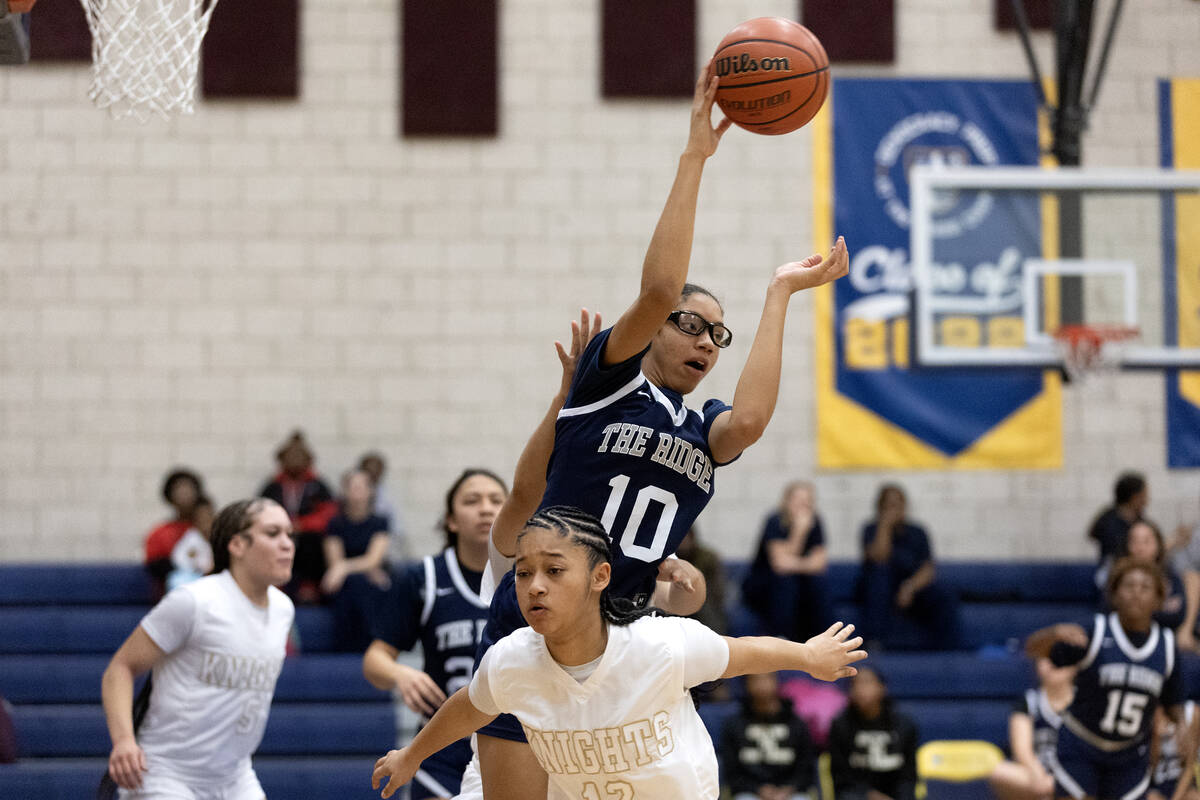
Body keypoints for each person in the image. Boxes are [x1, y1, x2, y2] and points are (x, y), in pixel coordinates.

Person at [468, 60, 850, 800]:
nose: (708, 343)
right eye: (693, 326)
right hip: (541, 627)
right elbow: (657, 288)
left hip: (629, 647)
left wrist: (781, 293)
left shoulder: (707, 429)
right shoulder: (605, 380)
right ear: (652, 335)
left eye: (720, 336)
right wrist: (695, 157)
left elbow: (754, 418)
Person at [370, 506, 867, 800]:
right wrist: (411, 756)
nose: (535, 587)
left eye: (554, 571)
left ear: (600, 578)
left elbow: (740, 653)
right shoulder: (511, 659)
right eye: (523, 573)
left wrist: (806, 655)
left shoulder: (659, 644)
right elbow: (468, 707)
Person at [101, 498, 296, 799]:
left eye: (289, 534)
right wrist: (124, 740)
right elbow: (120, 668)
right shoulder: (194, 602)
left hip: (235, 777)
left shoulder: (283, 610)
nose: (287, 544)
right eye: (272, 533)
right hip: (166, 774)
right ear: (237, 545)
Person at [361, 468, 506, 800]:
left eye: (496, 500)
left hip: (507, 741)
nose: (485, 508)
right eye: (472, 500)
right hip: (442, 749)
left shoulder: (530, 578)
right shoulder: (423, 578)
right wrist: (399, 673)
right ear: (451, 521)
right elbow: (374, 659)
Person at [1025, 558, 1191, 800]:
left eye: (1145, 587)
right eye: (1129, 586)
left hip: (1129, 755)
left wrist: (1183, 731)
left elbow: (1173, 702)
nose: (1136, 593)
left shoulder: (1166, 645)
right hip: (1082, 746)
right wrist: (1052, 633)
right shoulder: (1097, 630)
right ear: (1114, 595)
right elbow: (1033, 650)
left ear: (1158, 599)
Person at [860, 483, 960, 649]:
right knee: (879, 577)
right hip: (880, 589)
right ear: (880, 507)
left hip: (912, 587)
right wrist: (884, 525)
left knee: (945, 592)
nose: (894, 509)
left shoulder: (917, 531)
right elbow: (879, 557)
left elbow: (928, 568)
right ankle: (874, 643)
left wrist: (910, 587)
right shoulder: (870, 529)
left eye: (898, 504)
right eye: (888, 505)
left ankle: (948, 649)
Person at [743, 480, 832, 642]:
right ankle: (780, 637)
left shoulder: (816, 521)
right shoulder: (774, 521)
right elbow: (779, 564)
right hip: (763, 584)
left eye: (807, 502)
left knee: (819, 582)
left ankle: (825, 638)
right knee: (785, 580)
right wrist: (799, 531)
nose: (802, 507)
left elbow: (819, 564)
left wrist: (794, 564)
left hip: (798, 584)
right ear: (786, 501)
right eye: (798, 501)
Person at [259, 430, 338, 603]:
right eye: (290, 456)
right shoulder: (272, 486)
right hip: (279, 532)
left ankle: (308, 586)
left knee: (313, 541)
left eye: (299, 456)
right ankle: (273, 583)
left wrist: (302, 525)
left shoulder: (317, 485)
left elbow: (329, 514)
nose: (295, 460)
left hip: (307, 537)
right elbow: (260, 512)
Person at [323, 469, 392, 652]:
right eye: (352, 487)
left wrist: (345, 568)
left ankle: (371, 647)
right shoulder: (335, 524)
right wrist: (347, 569)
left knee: (367, 584)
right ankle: (349, 649)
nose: (357, 492)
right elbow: (334, 562)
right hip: (345, 584)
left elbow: (373, 560)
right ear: (344, 491)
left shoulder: (380, 522)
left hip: (368, 580)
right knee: (354, 583)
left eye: (361, 487)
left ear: (371, 491)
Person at [719, 671, 816, 800]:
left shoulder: (797, 724)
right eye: (755, 680)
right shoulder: (734, 725)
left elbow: (806, 768)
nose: (761, 685)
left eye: (766, 678)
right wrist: (758, 789)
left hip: (791, 792)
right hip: (750, 793)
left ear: (776, 681)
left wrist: (789, 789)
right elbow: (732, 771)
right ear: (746, 684)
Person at [989, 656, 1075, 800]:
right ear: (1037, 665)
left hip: (1077, 774)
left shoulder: (1088, 701)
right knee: (998, 771)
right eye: (1046, 658)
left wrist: (1065, 781)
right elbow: (1022, 752)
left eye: (1060, 656)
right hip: (1035, 776)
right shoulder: (1028, 702)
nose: (1053, 663)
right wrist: (1041, 779)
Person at [828, 667, 919, 800]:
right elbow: (841, 776)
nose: (860, 689)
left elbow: (909, 776)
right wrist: (870, 795)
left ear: (882, 688)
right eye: (855, 684)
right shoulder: (840, 725)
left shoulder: (904, 725)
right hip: (856, 794)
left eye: (867, 682)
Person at [143, 468, 207, 598]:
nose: (184, 494)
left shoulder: (208, 530)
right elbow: (155, 567)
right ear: (169, 495)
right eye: (179, 489)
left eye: (189, 489)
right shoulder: (159, 533)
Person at [1120, 520, 1188, 636]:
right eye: (1134, 542)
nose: (1140, 548)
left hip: (1164, 637)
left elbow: (1178, 615)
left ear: (1158, 545)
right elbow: (1113, 612)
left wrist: (1139, 611)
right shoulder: (1118, 576)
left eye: (1146, 542)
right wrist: (1160, 609)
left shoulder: (1170, 576)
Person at [1087, 472, 1148, 590]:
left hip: (1133, 568)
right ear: (1134, 498)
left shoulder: (1139, 520)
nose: (1146, 500)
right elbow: (1120, 554)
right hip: (1112, 571)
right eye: (1144, 495)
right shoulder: (1109, 520)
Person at [676, 526, 729, 634]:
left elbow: (718, 590)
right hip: (674, 602)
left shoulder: (707, 558)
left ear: (692, 537)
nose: (682, 542)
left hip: (704, 601)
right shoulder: (669, 560)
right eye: (679, 538)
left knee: (707, 611)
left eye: (685, 537)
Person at [359, 451, 407, 558]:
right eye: (368, 470)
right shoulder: (350, 495)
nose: (372, 474)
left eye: (376, 471)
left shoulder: (388, 498)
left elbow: (397, 530)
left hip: (383, 548)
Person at [1147, 705, 1198, 800]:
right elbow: (1151, 767)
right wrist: (1156, 738)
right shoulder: (1154, 712)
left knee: (1195, 797)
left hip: (1180, 783)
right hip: (1156, 783)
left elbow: (1189, 767)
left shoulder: (1193, 713)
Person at [164, 496, 215, 592]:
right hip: (193, 575)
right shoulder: (191, 538)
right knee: (176, 580)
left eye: (208, 517)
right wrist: (195, 565)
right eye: (201, 518)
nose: (205, 522)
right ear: (195, 520)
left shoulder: (219, 537)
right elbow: (178, 558)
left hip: (213, 576)